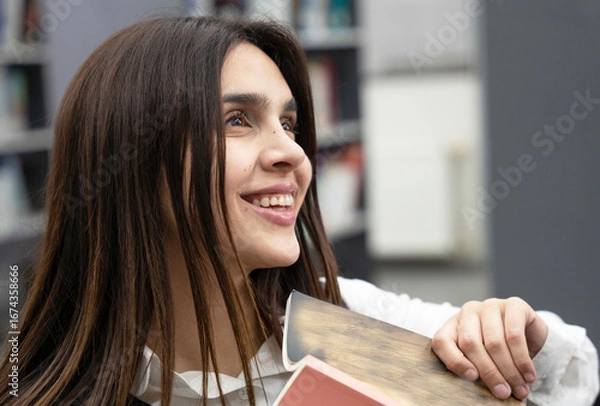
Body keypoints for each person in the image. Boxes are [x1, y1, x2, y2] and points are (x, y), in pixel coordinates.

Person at [0, 15, 597, 406]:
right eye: (239, 121)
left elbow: (573, 377)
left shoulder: (345, 315)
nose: (293, 153)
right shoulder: (43, 385)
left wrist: (514, 336)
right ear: (133, 160)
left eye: (288, 123)